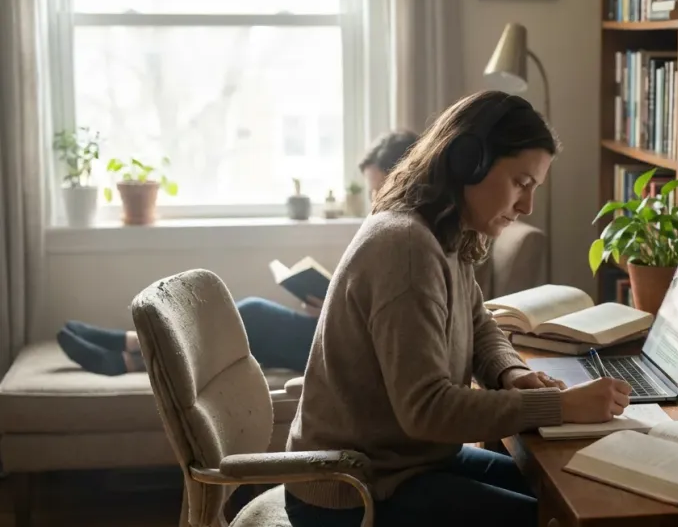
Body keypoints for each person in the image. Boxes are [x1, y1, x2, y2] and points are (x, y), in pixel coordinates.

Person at [283, 90, 630, 527]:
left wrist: (510, 373)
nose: (527, 206)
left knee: (552, 502)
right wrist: (556, 407)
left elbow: (479, 323)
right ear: (469, 159)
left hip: (398, 465)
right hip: (352, 491)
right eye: (522, 183)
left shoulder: (441, 233)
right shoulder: (406, 247)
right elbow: (427, 410)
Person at [55, 130, 420, 377]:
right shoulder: (395, 229)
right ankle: (132, 357)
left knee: (252, 315)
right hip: (342, 333)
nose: (375, 200)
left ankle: (134, 348)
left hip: (355, 352)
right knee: (243, 335)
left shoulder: (409, 237)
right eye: (372, 191)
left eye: (379, 188)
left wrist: (334, 309)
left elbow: (396, 321)